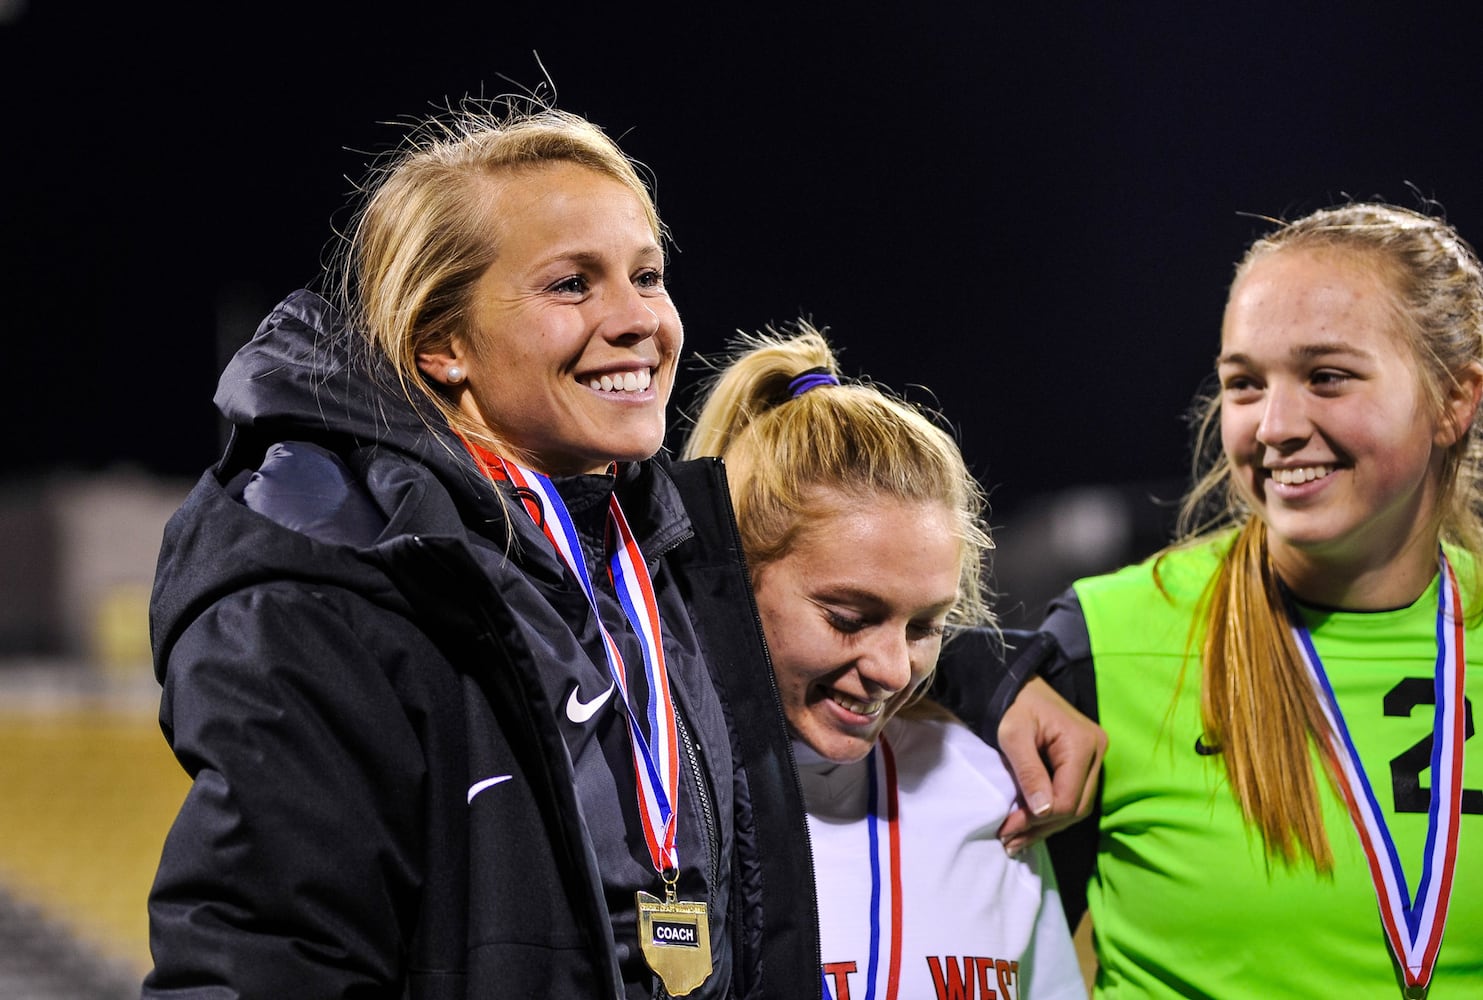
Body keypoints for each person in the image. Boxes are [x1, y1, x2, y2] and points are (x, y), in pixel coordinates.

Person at [143, 99, 1101, 998]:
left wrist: (990, 675)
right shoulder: (332, 581)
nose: (639, 317)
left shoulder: (642, 561)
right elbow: (259, 955)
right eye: (572, 283)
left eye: (646, 274)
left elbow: (810, 611)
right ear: (445, 343)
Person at [1040, 202, 1483, 997]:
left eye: (1326, 377)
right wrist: (975, 675)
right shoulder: (1104, 642)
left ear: (1454, 399)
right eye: (1243, 384)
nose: (1273, 426)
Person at [682, 323, 1088, 1000]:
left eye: (926, 626)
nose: (894, 670)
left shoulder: (994, 789)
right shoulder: (646, 786)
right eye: (849, 618)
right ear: (735, 573)